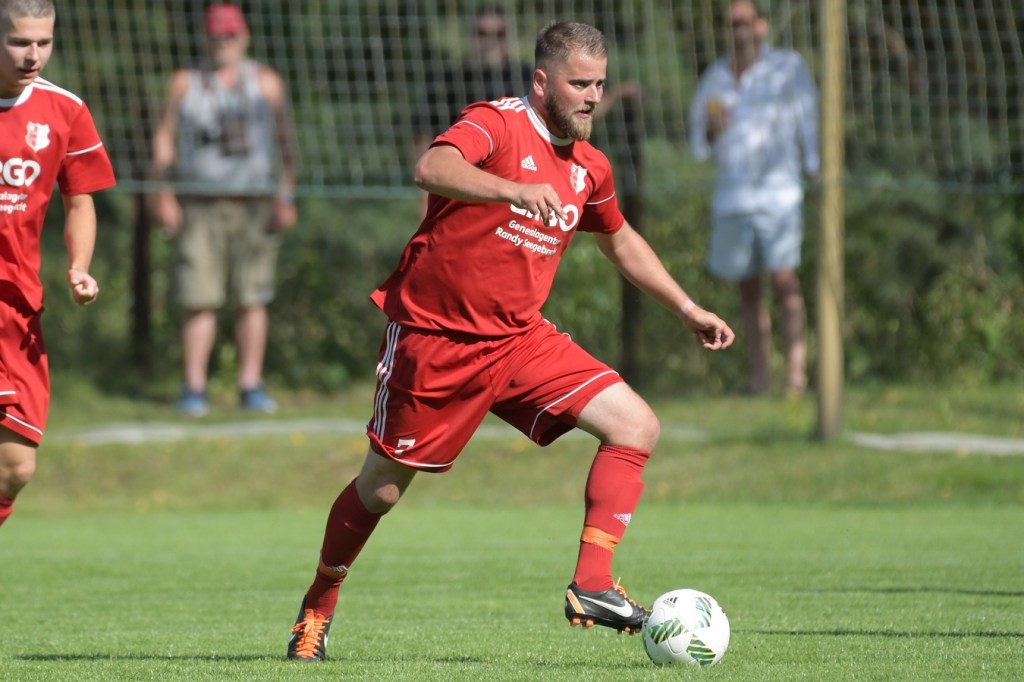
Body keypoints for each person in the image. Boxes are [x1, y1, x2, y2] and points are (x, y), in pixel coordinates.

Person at [286, 21, 735, 662]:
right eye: (580, 84)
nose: (592, 97)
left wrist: (686, 308)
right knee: (381, 488)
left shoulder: (590, 167)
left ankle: (592, 584)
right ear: (542, 81)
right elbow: (431, 167)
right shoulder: (496, 123)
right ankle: (317, 607)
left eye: (600, 84)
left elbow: (618, 238)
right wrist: (514, 189)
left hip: (520, 340)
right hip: (436, 338)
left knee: (635, 426)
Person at [150, 2, 298, 417]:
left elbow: (287, 145)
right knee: (198, 297)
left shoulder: (266, 82)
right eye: (216, 35)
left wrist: (285, 196)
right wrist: (162, 194)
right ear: (205, 37)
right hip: (199, 203)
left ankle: (250, 384)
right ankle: (194, 387)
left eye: (230, 35)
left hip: (254, 204)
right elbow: (163, 142)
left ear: (244, 36)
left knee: (253, 297)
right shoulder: (185, 82)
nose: (223, 43)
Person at [0, 0, 116, 528]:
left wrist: (80, 265)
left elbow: (80, 200)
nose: (33, 55)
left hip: (17, 308)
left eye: (43, 42)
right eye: (19, 42)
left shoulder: (64, 110)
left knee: (15, 468)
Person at [688, 0, 819, 396]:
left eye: (745, 22)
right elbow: (699, 145)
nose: (739, 30)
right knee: (748, 291)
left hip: (780, 194)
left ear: (761, 25)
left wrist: (814, 170)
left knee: (784, 282)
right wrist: (713, 128)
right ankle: (759, 378)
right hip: (732, 199)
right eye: (732, 24)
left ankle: (796, 376)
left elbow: (808, 119)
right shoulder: (714, 78)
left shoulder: (788, 67)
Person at [413, 6, 640, 215]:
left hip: (518, 182)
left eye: (498, 34)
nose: (490, 41)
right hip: (463, 182)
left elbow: (571, 112)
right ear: (472, 36)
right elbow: (425, 139)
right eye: (483, 33)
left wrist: (616, 95)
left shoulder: (524, 75)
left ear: (508, 37)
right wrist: (427, 194)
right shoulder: (447, 80)